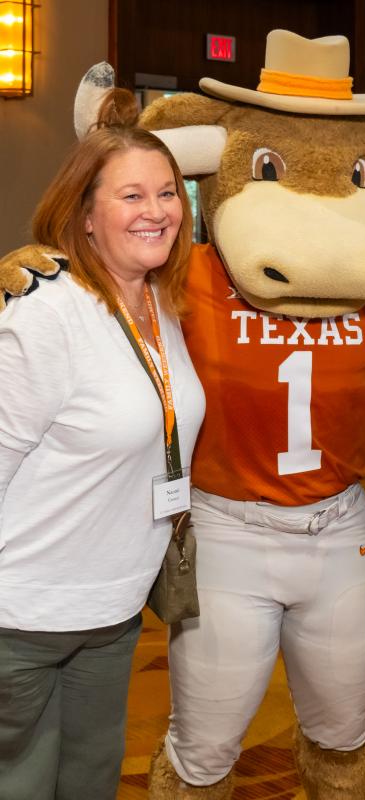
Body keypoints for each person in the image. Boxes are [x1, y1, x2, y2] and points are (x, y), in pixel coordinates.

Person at [0, 93, 206, 800]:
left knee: (88, 783)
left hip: (113, 613)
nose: (158, 210)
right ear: (85, 214)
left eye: (168, 193)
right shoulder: (45, 311)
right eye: (132, 195)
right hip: (20, 616)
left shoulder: (158, 299)